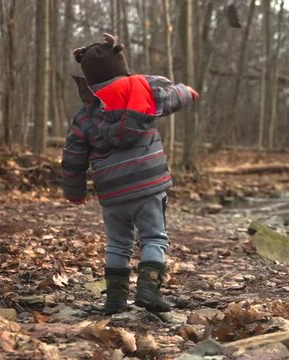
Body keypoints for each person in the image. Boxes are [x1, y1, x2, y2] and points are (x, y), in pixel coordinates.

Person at [61, 34, 199, 314]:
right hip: (148, 187)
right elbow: (172, 97)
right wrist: (187, 91)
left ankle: (114, 300)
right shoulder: (144, 92)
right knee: (154, 238)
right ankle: (148, 290)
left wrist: (75, 191)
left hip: (112, 193)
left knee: (118, 243)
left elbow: (73, 155)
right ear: (121, 66)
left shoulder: (86, 114)